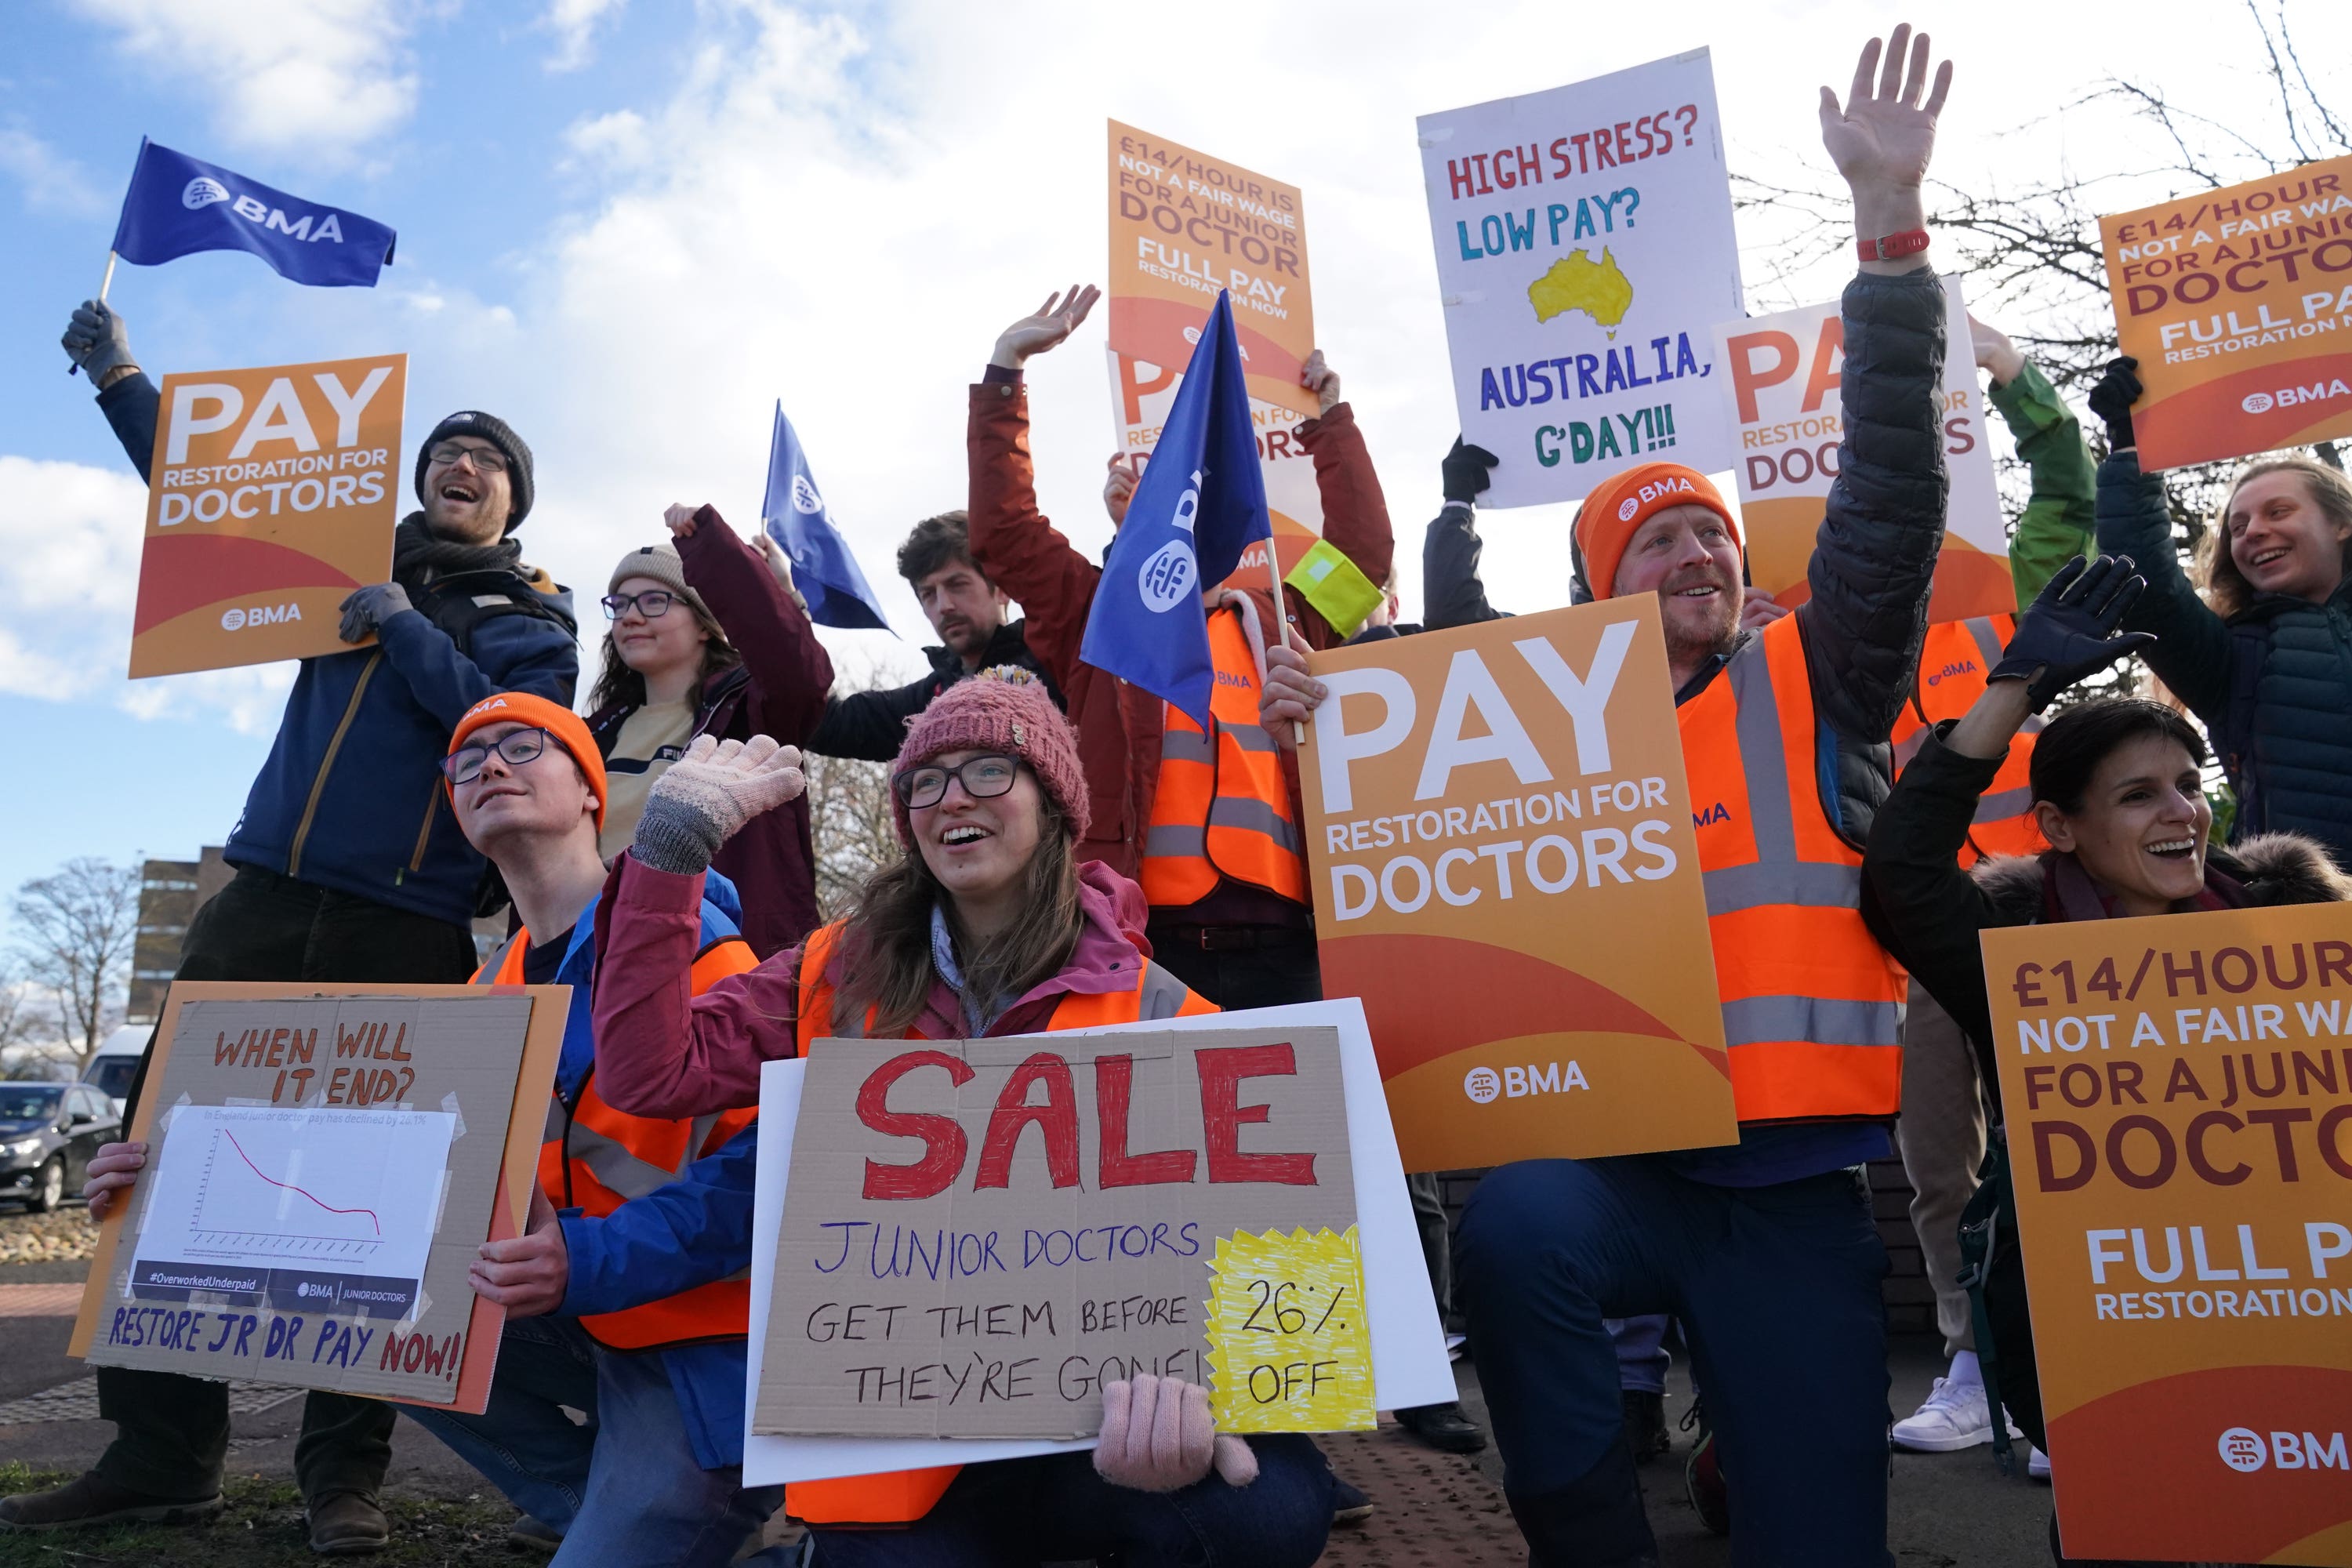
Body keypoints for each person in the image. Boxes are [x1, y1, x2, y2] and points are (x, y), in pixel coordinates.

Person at [1268, 29, 1956, 1564]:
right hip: (1605, 1164)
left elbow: (1894, 495)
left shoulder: (1818, 671)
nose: (1698, 558)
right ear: (1590, 592)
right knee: (1514, 1232)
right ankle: (1584, 1532)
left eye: (1711, 537)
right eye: (1657, 545)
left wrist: (1889, 242)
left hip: (1783, 1180)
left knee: (1823, 1531)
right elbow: (1389, 807)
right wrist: (1314, 723)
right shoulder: (1510, 717)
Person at [18, 303, 579, 1553]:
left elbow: (505, 729)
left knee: (378, 1202)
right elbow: (206, 489)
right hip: (262, 899)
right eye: (449, 448)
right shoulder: (334, 558)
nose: (464, 465)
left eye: (489, 461)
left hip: (411, 924)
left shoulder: (534, 619)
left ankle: (344, 1476)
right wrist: (116, 372)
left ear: (511, 505)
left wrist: (399, 626)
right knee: (155, 1166)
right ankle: (159, 1457)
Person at [583, 670, 1335, 1566]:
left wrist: (1199, 1410)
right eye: (924, 781)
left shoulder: (1163, 1007)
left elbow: (1278, 1277)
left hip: (1097, 1437)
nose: (951, 799)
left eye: (987, 769)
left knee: (1262, 1515)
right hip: (906, 1439)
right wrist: (669, 855)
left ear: (1052, 800)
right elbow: (647, 1070)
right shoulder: (830, 970)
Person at [1859, 554, 2348, 1566]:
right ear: (2058, 829)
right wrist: (2017, 688)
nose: (2180, 813)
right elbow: (1903, 872)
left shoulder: (2294, 924)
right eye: (2137, 796)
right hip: (2101, 1338)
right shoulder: (2014, 949)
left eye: (2186, 785)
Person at [967, 305, 1394, 1013]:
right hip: (1135, 944)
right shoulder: (1099, 613)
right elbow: (1005, 534)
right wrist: (1005, 375)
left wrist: (1331, 420)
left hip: (1286, 945)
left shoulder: (1284, 620)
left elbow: (1364, 556)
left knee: (1297, 1126)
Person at [1885, 313, 2100, 1465]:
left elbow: (2069, 484)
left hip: (2049, 925)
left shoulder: (2011, 591)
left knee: (2055, 1157)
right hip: (1928, 941)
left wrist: (2018, 372)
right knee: (1938, 1168)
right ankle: (1975, 1366)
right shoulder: (1832, 638)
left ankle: (2058, 1372)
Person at [2091, 358, 2352, 866]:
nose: (2252, 530)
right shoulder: (2235, 657)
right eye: (2238, 525)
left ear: (2340, 524)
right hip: (2317, 925)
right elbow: (2146, 586)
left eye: (2278, 512)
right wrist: (2130, 448)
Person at [585, 503, 833, 957]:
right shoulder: (592, 734)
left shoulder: (751, 716)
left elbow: (801, 672)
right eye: (619, 604)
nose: (630, 617)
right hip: (591, 949)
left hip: (713, 957)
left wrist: (712, 550)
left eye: (654, 601)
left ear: (705, 624)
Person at [797, 510, 1065, 760]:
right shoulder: (929, 702)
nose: (943, 605)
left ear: (1002, 588)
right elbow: (823, 723)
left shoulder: (1060, 662)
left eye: (957, 585)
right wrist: (782, 603)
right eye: (928, 594)